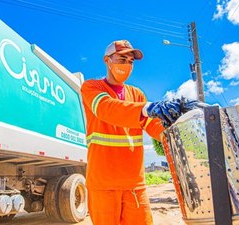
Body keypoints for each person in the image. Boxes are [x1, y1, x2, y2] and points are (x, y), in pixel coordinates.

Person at [81, 40, 201, 225]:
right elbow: (107, 108)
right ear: (107, 60)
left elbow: (153, 125)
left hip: (134, 184)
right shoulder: (92, 88)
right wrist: (150, 107)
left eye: (131, 61)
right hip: (103, 184)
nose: (127, 65)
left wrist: (175, 127)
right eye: (122, 59)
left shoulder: (137, 95)